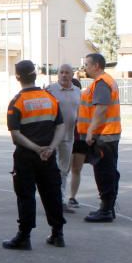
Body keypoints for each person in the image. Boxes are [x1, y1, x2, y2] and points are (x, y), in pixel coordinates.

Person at [2, 60, 67, 250]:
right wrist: (50, 148)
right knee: (52, 193)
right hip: (48, 156)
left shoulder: (17, 102)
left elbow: (15, 134)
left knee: (26, 196)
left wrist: (37, 149)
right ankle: (58, 233)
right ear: (35, 75)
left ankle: (24, 236)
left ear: (17, 77)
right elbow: (61, 126)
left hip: (26, 157)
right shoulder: (50, 99)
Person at [78, 53, 122, 223]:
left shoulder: (102, 83)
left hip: (104, 135)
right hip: (108, 133)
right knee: (109, 171)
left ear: (96, 66)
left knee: (104, 172)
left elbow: (101, 110)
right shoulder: (105, 81)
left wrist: (91, 131)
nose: (85, 67)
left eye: (87, 64)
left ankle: (105, 209)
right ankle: (108, 208)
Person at [46, 64, 82, 212]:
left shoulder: (78, 92)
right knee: (49, 170)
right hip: (51, 138)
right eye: (61, 72)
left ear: (72, 75)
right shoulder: (50, 90)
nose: (64, 75)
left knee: (64, 170)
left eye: (67, 73)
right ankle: (50, 199)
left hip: (68, 137)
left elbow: (80, 113)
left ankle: (60, 201)